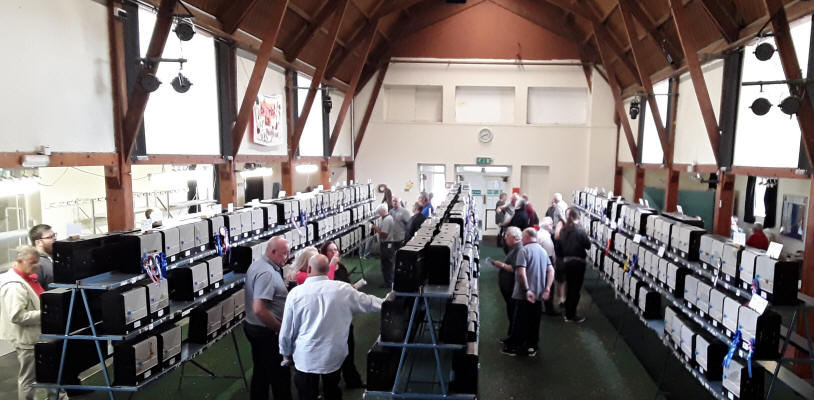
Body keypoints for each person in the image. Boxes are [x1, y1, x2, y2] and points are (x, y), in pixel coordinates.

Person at [279, 254, 384, 400]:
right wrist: (389, 300)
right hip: (333, 356)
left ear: (309, 269)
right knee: (332, 389)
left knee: (307, 392)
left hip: (305, 357)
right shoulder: (343, 289)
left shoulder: (295, 294)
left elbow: (287, 331)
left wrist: (285, 353)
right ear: (328, 269)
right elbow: (370, 303)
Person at [244, 236, 292, 400]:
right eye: (284, 253)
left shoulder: (258, 264)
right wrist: (279, 328)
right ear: (272, 252)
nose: (287, 257)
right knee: (280, 376)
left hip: (254, 327)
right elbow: (259, 309)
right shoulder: (267, 273)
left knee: (261, 372)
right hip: (266, 332)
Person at [0, 246, 45, 400]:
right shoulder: (13, 285)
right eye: (32, 262)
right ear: (20, 261)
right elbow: (18, 316)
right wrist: (47, 313)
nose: (36, 266)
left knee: (48, 374)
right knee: (28, 380)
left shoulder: (27, 278)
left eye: (37, 262)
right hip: (28, 339)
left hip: (37, 336)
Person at [319, 241, 364, 389]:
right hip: (331, 318)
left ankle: (352, 380)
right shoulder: (323, 270)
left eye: (336, 250)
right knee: (335, 352)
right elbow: (326, 286)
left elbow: (345, 284)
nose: (335, 253)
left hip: (344, 314)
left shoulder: (342, 267)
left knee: (349, 348)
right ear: (324, 254)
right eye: (331, 251)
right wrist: (331, 265)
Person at [502, 228, 554, 357]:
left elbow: (521, 272)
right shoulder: (542, 251)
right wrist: (547, 288)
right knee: (534, 321)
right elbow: (551, 270)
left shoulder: (524, 250)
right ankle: (532, 346)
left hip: (524, 295)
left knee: (520, 321)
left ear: (526, 237)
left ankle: (514, 347)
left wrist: (526, 290)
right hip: (539, 294)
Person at [556, 207, 591, 323]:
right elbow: (588, 245)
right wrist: (586, 235)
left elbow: (559, 247)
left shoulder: (563, 230)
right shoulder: (580, 231)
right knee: (575, 290)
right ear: (578, 217)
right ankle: (571, 315)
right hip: (578, 264)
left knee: (569, 288)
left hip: (566, 262)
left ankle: (567, 312)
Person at [490, 226, 523, 342]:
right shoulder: (514, 248)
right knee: (511, 312)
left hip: (512, 288)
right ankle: (511, 335)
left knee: (514, 314)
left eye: (507, 235)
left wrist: (501, 265)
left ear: (514, 237)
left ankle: (514, 338)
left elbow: (515, 268)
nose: (504, 238)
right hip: (509, 288)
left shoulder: (519, 250)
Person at [372, 204, 399, 287]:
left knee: (387, 264)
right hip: (388, 244)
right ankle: (389, 281)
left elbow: (384, 234)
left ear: (383, 211)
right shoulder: (388, 218)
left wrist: (376, 228)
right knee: (388, 263)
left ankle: (388, 282)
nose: (379, 214)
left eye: (379, 212)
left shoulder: (387, 220)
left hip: (387, 245)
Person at [537, 217, 559, 316]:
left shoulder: (538, 233)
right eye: (551, 224)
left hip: (538, 265)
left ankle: (540, 307)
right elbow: (549, 256)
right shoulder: (546, 238)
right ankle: (549, 309)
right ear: (547, 226)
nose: (553, 226)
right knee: (549, 286)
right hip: (545, 267)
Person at [28, 224, 56, 289]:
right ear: (38, 242)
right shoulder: (36, 263)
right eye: (50, 237)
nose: (54, 238)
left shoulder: (53, 257)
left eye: (54, 235)